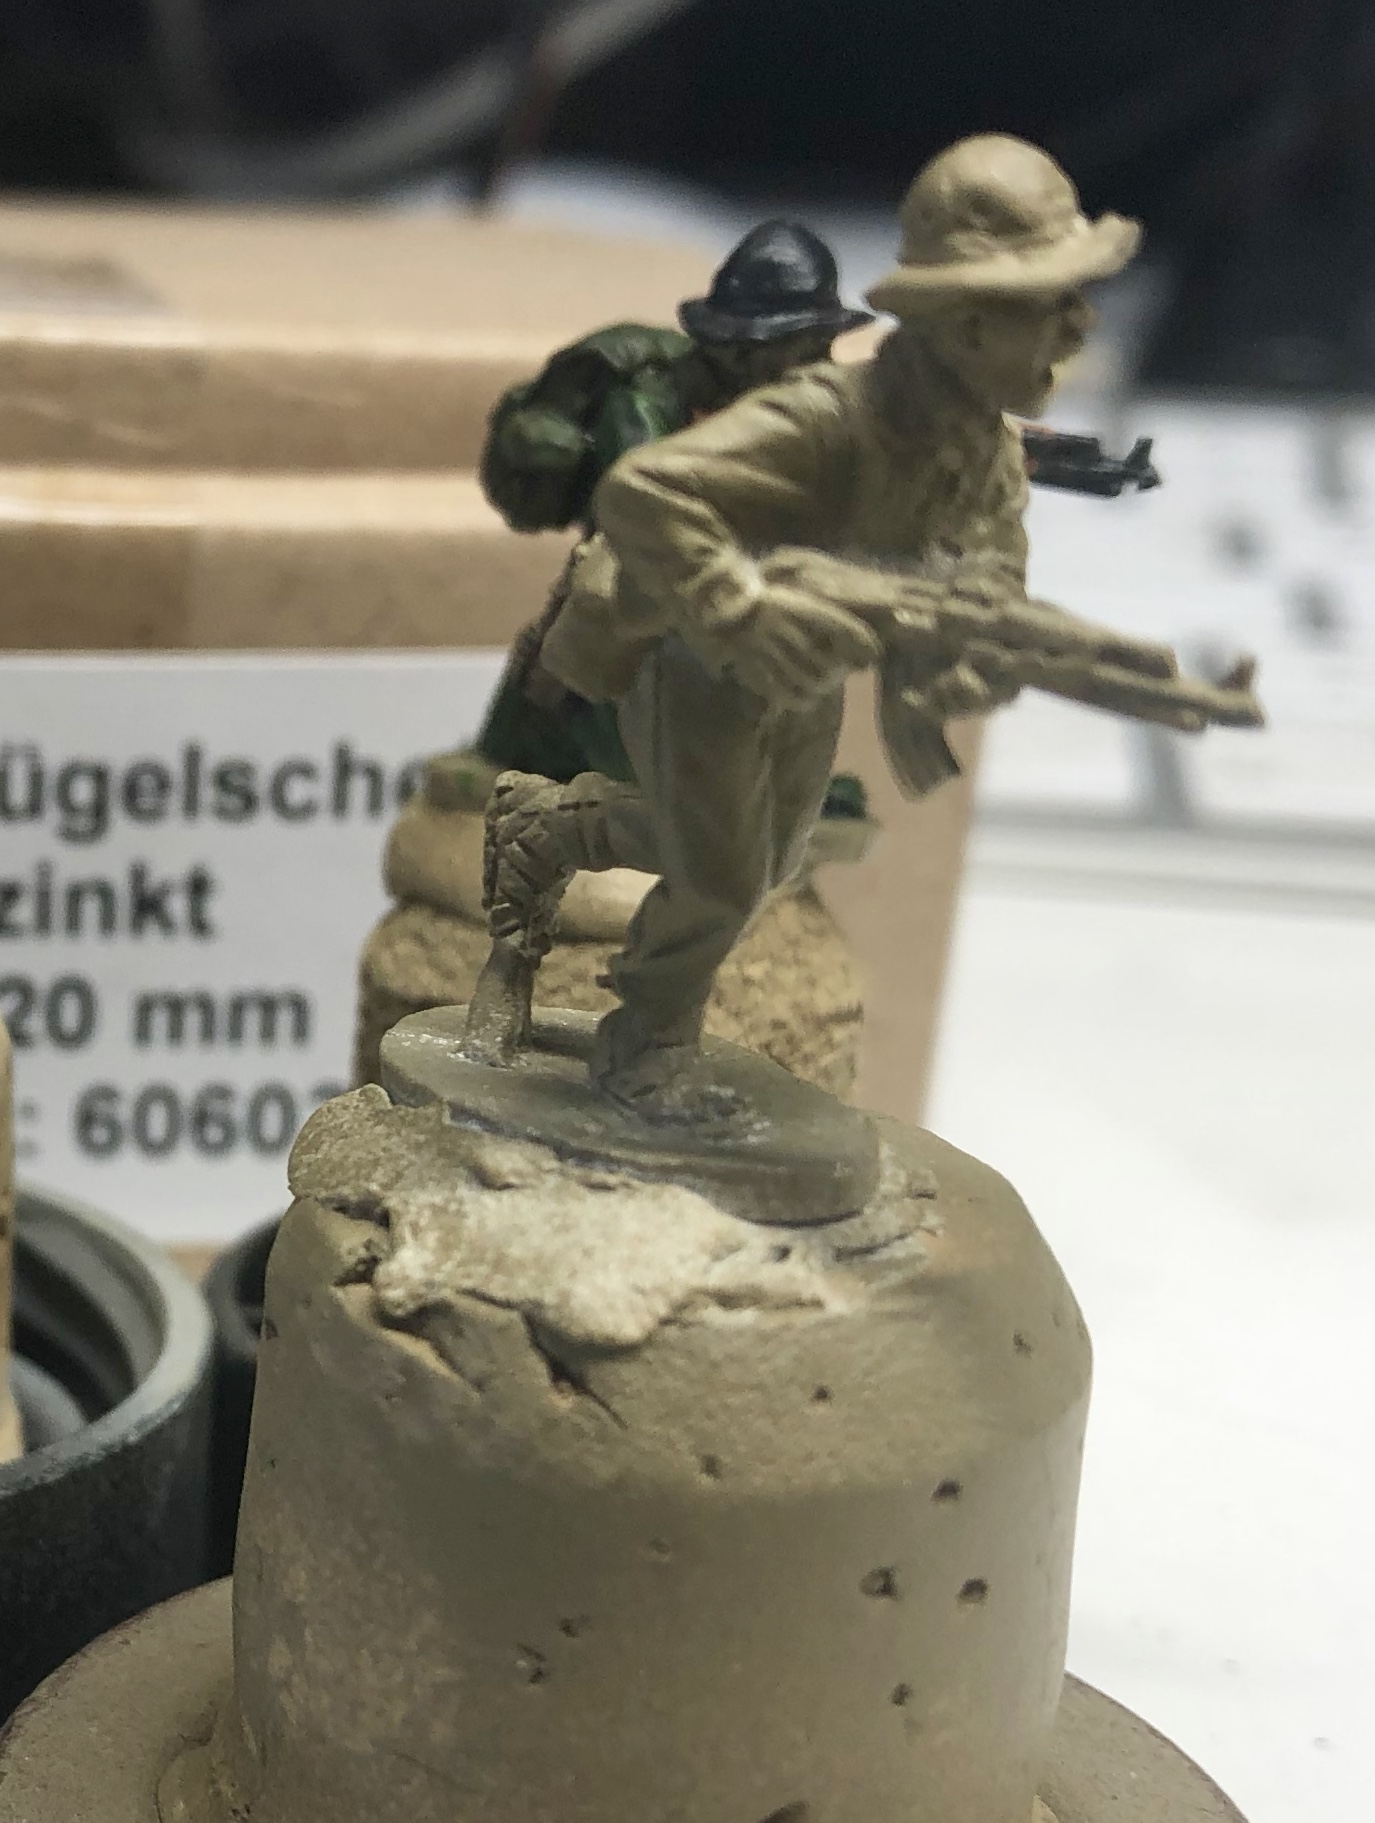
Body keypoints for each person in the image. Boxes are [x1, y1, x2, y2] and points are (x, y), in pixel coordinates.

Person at [468, 137, 1135, 1121]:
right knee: (723, 879)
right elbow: (642, 499)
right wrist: (735, 602)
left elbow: (983, 563)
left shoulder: (960, 435)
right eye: (1051, 302)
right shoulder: (766, 414)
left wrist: (962, 649)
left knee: (769, 862)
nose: (1079, 326)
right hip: (690, 645)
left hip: (806, 667)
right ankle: (642, 1050)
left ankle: (548, 829)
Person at [472, 219, 872, 787]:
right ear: (745, 350)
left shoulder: (784, 408)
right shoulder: (645, 399)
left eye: (821, 343)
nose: (819, 362)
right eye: (804, 346)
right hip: (629, 606)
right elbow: (647, 517)